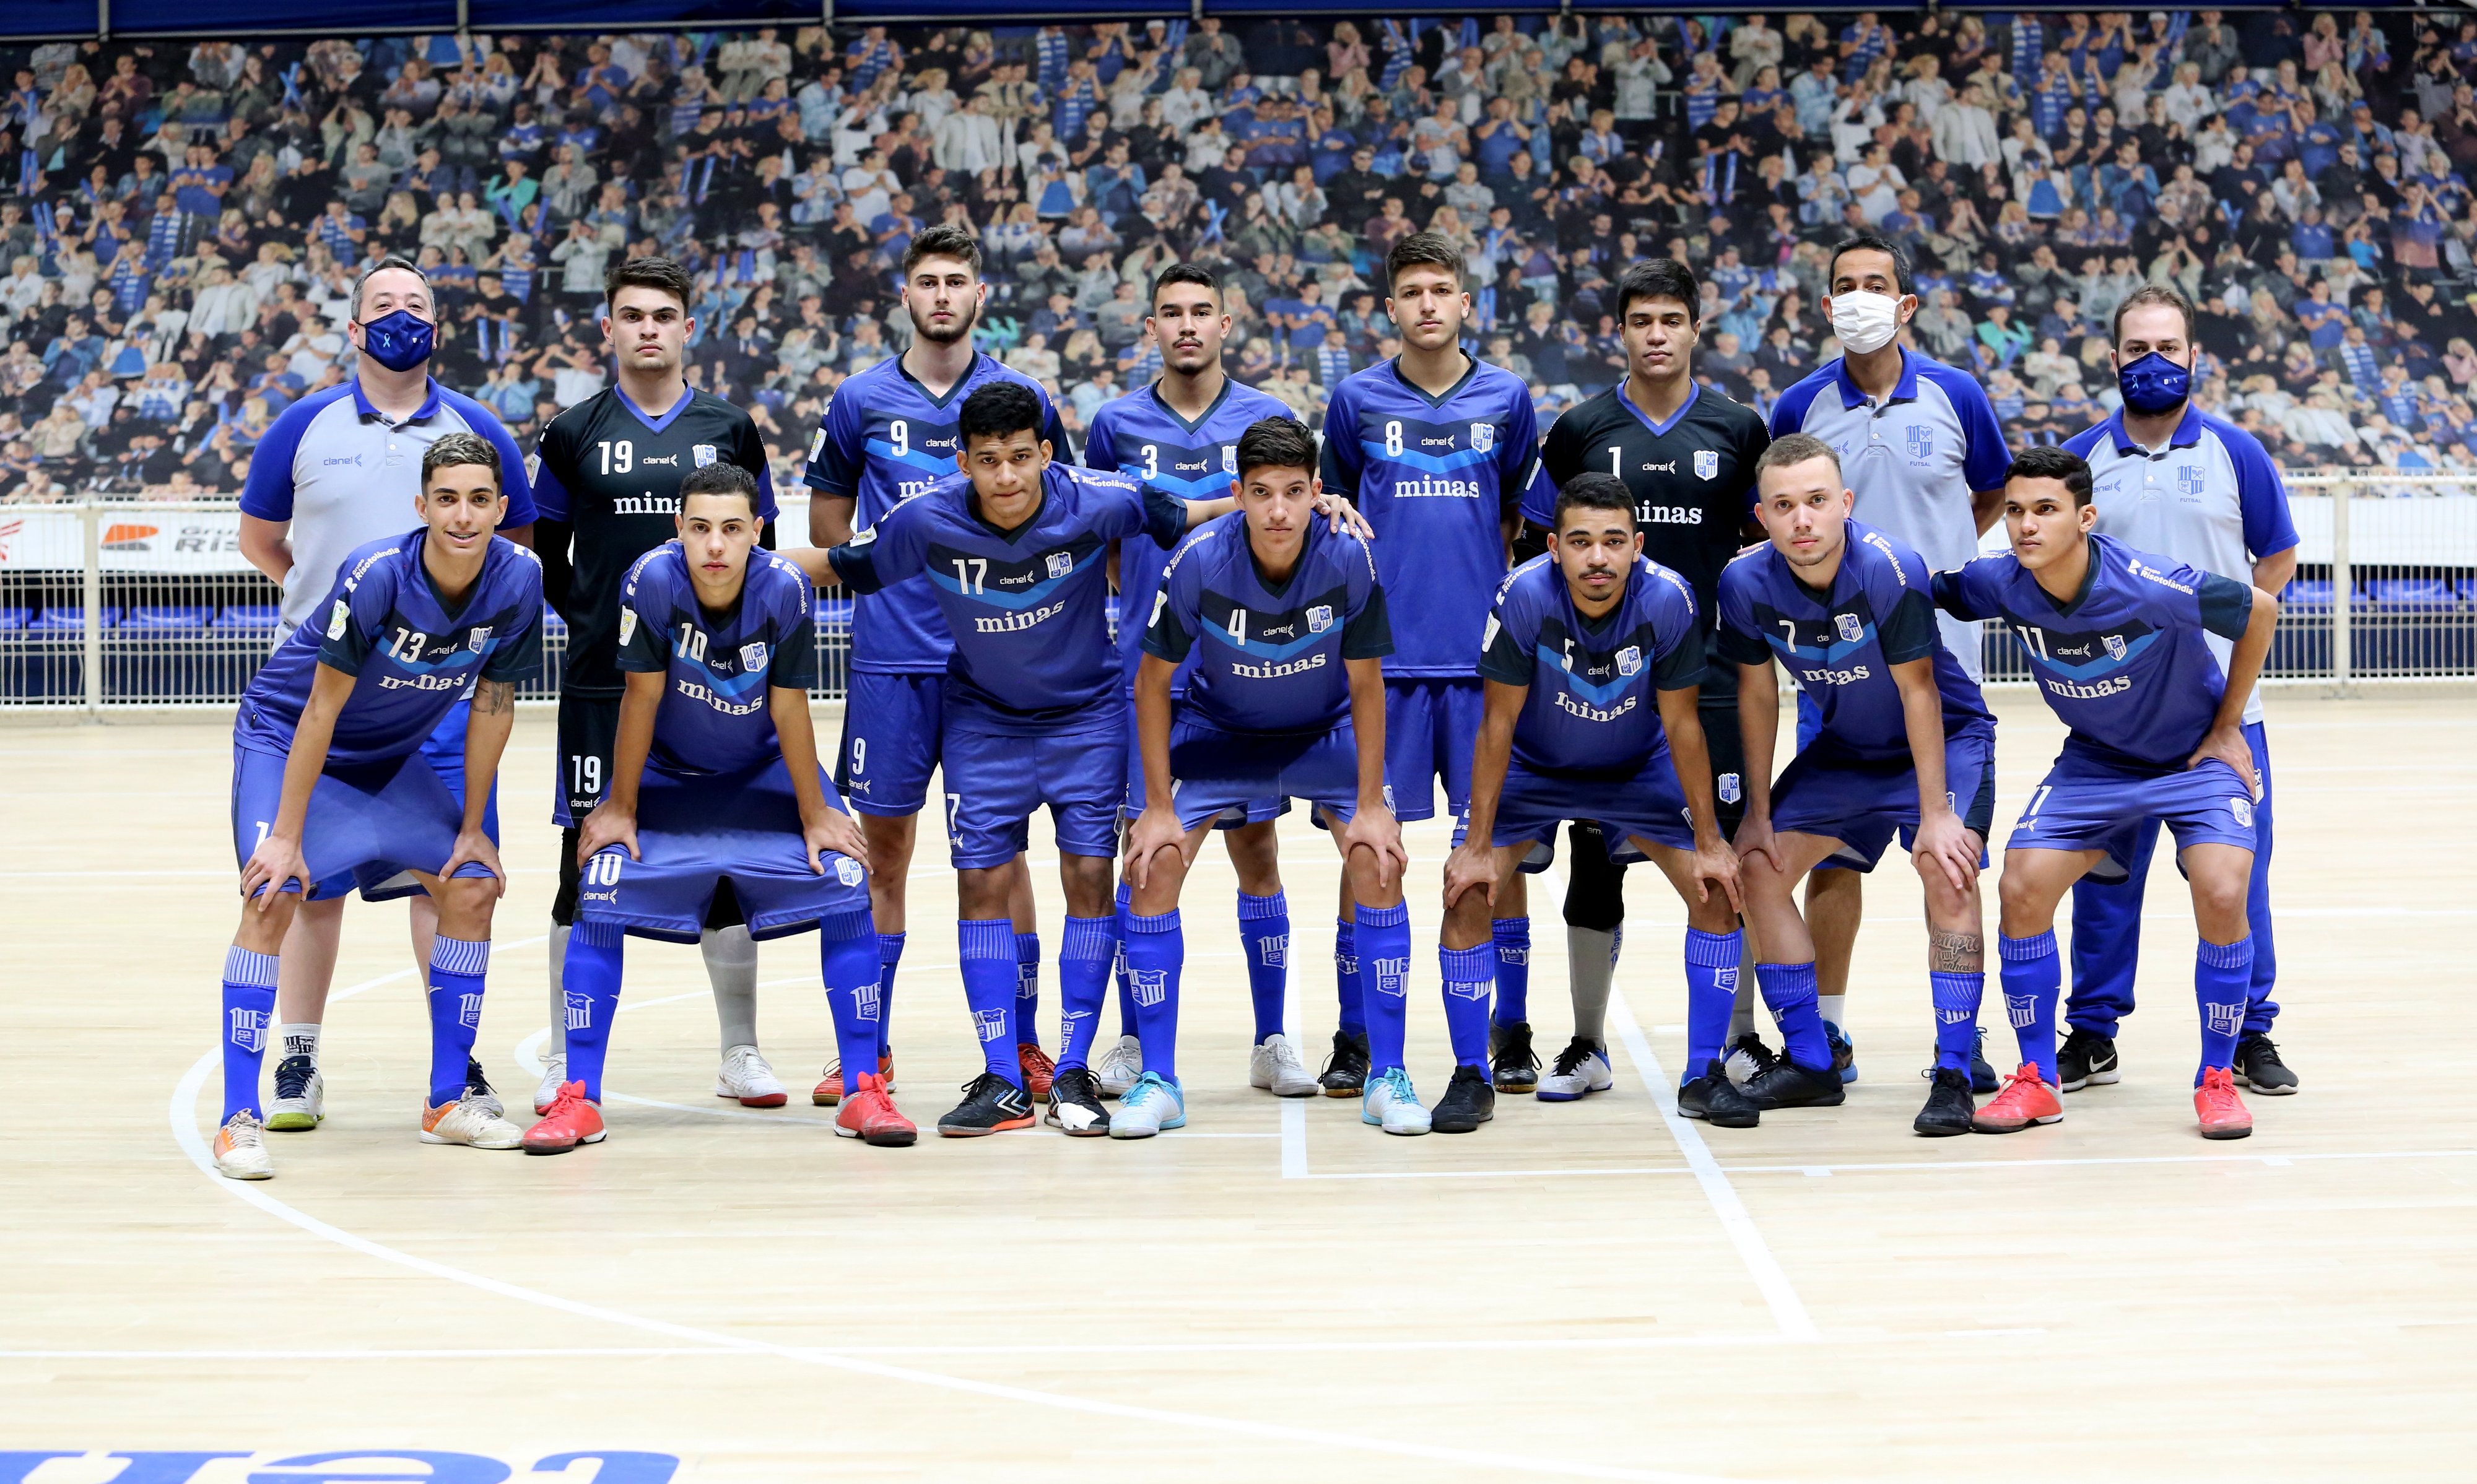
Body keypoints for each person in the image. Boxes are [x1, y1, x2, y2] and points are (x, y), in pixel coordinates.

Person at [798, 382, 1243, 1137]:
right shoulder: (924, 519)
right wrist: (725, 555)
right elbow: (837, 563)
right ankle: (1003, 1077)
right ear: (963, 461)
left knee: (1089, 877)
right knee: (981, 882)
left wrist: (1298, 507)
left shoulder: (1099, 499)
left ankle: (1071, 1069)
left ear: (1045, 453)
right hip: (982, 723)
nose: (1006, 477)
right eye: (988, 461)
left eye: (1020, 458)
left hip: (1087, 719)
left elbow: (1194, 514)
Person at [234, 255, 537, 1135]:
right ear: (356, 327)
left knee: (443, 880)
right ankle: (297, 1053)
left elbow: (507, 541)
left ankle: (455, 1066)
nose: (401, 315)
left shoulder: (478, 429)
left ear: (436, 328)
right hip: (327, 685)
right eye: (383, 304)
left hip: (438, 694)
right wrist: (338, 615)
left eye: (417, 304)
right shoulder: (303, 423)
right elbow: (260, 536)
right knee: (308, 884)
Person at [521, 464, 897, 1154]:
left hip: (761, 771)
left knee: (847, 883)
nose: (715, 545)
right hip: (666, 773)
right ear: (679, 530)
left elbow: (789, 707)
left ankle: (863, 1089)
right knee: (598, 887)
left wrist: (816, 813)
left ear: (758, 531)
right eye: (700, 529)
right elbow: (638, 697)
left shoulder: (784, 587)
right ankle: (580, 1096)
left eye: (731, 529)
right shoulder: (652, 580)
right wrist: (620, 807)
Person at [1933, 447, 2278, 1140]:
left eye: (2045, 511)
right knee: (2022, 885)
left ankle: (2215, 1078)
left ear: (2085, 517)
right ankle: (2036, 1080)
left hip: (2190, 760)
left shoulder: (2151, 585)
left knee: (2221, 885)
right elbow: (1924, 587)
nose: (2026, 526)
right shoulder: (2000, 582)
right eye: (2015, 512)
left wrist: (2227, 726)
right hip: (2095, 763)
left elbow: (2261, 609)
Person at [800, 225, 1065, 1109]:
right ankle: (863, 1052)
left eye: (957, 281)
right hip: (892, 662)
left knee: (998, 858)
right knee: (882, 855)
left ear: (979, 296)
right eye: (928, 282)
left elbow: (1058, 507)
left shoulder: (1021, 395)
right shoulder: (859, 401)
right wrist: (906, 556)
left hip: (999, 664)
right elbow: (830, 531)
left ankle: (1024, 1047)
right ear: (905, 297)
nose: (943, 295)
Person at [529, 255, 790, 1116]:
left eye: (663, 315)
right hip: (605, 687)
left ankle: (740, 1052)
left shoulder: (731, 427)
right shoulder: (571, 431)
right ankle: (568, 1056)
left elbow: (764, 555)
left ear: (688, 328)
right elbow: (547, 561)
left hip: (720, 689)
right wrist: (603, 624)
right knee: (584, 860)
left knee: (725, 862)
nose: (648, 328)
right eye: (631, 315)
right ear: (608, 330)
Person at [1121, 417, 1411, 1136]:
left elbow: (1368, 683)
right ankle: (1159, 1080)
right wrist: (1157, 807)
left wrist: (1371, 805)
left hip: (1323, 730)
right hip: (1221, 731)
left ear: (1317, 492)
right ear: (1237, 495)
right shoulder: (1196, 561)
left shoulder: (1347, 554)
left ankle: (1389, 1076)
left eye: (1292, 492)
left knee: (1378, 860)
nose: (1277, 511)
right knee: (1153, 863)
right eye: (1260, 494)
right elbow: (1151, 684)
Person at [1765, 232, 2009, 1088]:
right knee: (1834, 863)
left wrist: (1926, 576)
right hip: (1834, 679)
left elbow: (1990, 493)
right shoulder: (1799, 404)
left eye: (1878, 283)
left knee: (1949, 860)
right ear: (1826, 306)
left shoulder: (1958, 395)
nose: (1860, 296)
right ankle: (1826, 1036)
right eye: (1845, 285)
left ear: (1906, 304)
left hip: (1942, 673)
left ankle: (1962, 1042)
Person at [1317, 231, 1551, 1107]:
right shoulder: (1354, 401)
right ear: (1390, 307)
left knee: (1499, 853)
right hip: (1382, 666)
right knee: (1367, 853)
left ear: (1465, 304)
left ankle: (1512, 1027)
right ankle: (1353, 1036)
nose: (1426, 304)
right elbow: (1337, 515)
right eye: (1410, 290)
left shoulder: (1507, 398)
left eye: (1440, 289)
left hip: (1487, 668)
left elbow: (1515, 527)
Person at [1531, 257, 1770, 1103]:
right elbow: (1536, 545)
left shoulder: (1739, 429)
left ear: (1696, 328)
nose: (1657, 335)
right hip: (1605, 683)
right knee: (1596, 861)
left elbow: (1767, 547)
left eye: (1672, 320)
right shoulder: (1581, 428)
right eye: (1642, 322)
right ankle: (1587, 1045)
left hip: (1711, 679)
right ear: (1620, 332)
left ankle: (1741, 1040)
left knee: (1731, 853)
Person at [1442, 473, 1747, 1133]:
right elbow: (1496, 725)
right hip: (1535, 765)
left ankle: (1702, 1073)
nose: (1598, 558)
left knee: (1715, 887)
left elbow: (1684, 725)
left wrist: (1710, 841)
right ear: (1553, 547)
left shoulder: (1667, 599)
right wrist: (1473, 849)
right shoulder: (1521, 596)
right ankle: (1470, 1075)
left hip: (1638, 766)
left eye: (1613, 541)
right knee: (1466, 891)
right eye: (1580, 542)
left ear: (1636, 545)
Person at [2058, 285, 2301, 1096]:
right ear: (2113, 358)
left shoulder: (2238, 454)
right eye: (2138, 348)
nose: (2154, 362)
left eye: (2169, 347)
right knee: (2101, 880)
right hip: (2114, 722)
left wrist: (2229, 669)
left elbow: (2274, 564)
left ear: (2195, 357)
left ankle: (2250, 1034)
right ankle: (2091, 1032)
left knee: (2238, 879)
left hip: (2225, 722)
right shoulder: (2079, 459)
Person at [1718, 434, 1999, 1135]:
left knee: (1947, 867)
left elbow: (1921, 694)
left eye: (1816, 502)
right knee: (1756, 868)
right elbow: (1757, 697)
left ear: (1844, 503)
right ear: (1762, 515)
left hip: (1942, 740)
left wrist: (1935, 814)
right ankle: (1813, 1060)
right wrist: (1757, 812)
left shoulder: (1889, 567)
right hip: (1848, 750)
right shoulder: (1743, 581)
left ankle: (1956, 1071)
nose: (1802, 520)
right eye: (1784, 506)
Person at [1085, 262, 1313, 1101]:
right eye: (1170, 313)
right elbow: (1110, 546)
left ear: (1228, 323)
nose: (1187, 325)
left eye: (1202, 312)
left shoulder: (1268, 418)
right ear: (1150, 329)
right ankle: (1136, 1041)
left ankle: (1272, 1037)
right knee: (1143, 855)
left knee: (1257, 850)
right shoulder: (1112, 425)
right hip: (1146, 671)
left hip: (1246, 673)